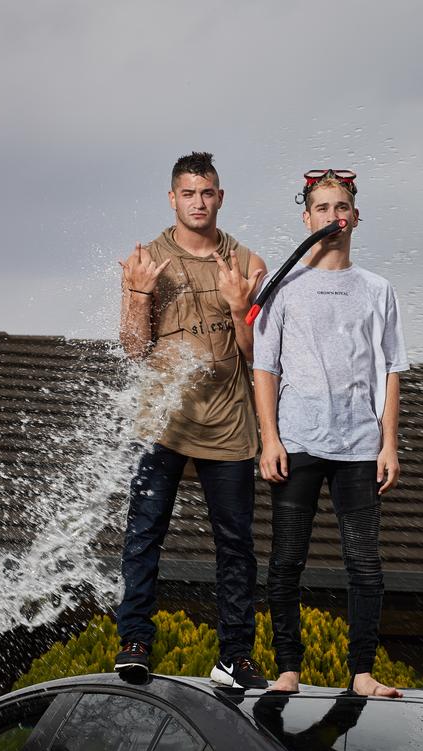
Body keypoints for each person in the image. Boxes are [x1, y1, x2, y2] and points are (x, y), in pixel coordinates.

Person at [253, 169, 409, 697]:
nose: (332, 218)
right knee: (286, 559)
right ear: (307, 218)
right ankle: (288, 669)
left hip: (360, 445)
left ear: (355, 218)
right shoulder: (283, 286)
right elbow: (264, 368)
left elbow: (391, 368)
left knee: (364, 560)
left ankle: (361, 672)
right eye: (322, 209)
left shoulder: (377, 289)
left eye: (341, 208)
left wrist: (389, 443)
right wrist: (269, 438)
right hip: (296, 441)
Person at [115, 151, 268, 689]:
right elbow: (134, 350)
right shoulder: (148, 259)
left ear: (220, 197)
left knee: (237, 543)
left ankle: (235, 655)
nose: (198, 203)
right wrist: (137, 293)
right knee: (144, 534)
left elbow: (256, 356)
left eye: (207, 193)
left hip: (228, 421)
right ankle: (134, 640)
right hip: (164, 420)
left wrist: (236, 308)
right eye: (188, 194)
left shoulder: (247, 264)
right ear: (173, 198)